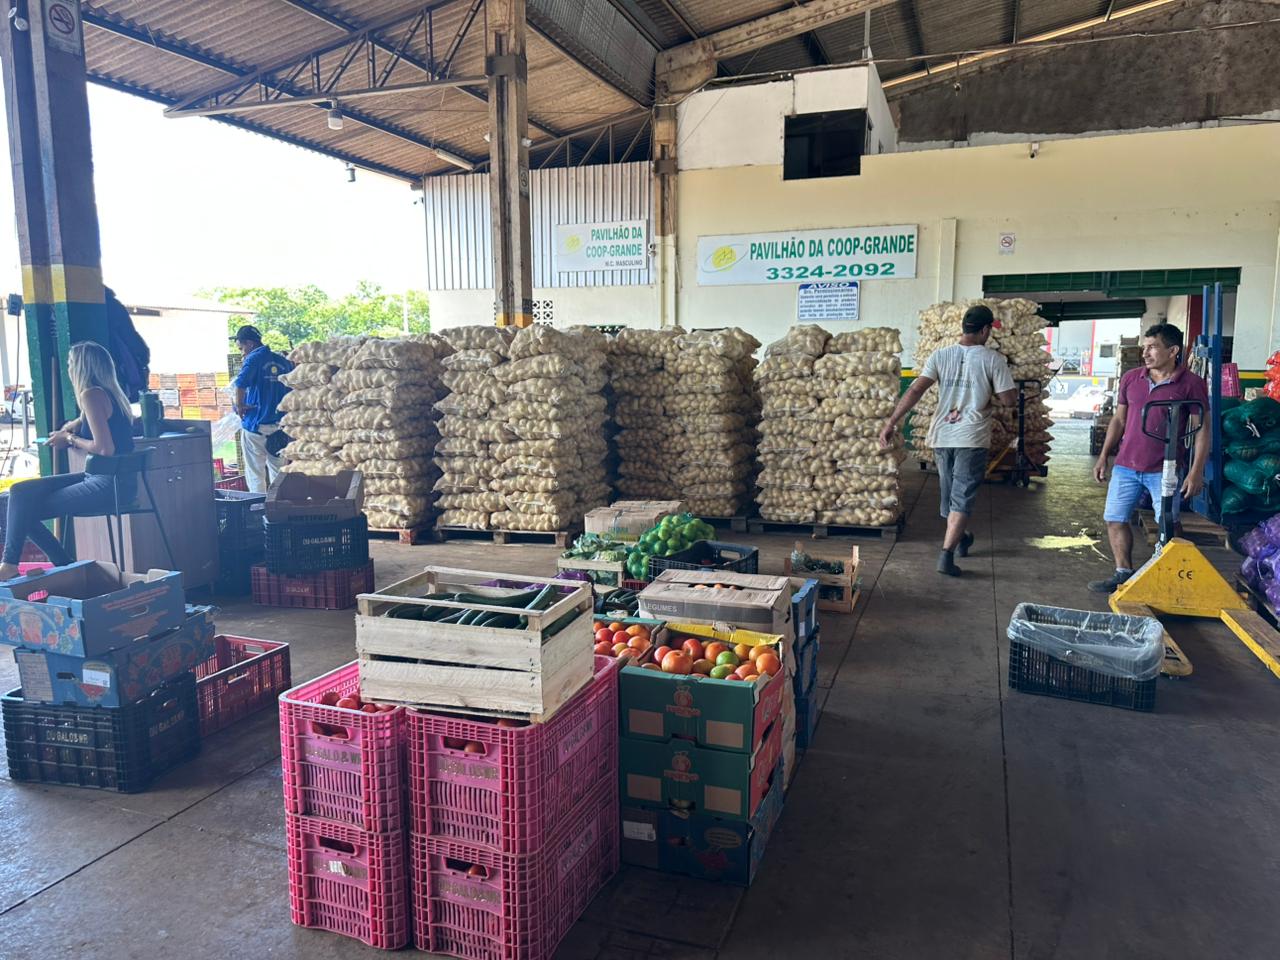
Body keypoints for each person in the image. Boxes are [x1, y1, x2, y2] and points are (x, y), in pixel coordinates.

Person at [879, 304, 1016, 576]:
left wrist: (891, 422)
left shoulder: (940, 356)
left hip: (942, 435)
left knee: (950, 496)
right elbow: (1009, 400)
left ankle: (961, 537)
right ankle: (946, 556)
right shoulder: (992, 359)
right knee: (961, 497)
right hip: (971, 437)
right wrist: (992, 395)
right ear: (985, 329)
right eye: (990, 329)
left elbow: (916, 389)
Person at [1088, 323, 1209, 593]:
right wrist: (1104, 456)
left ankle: (1171, 578)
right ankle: (1123, 573)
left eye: (1153, 347)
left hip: (1164, 469)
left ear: (1173, 350)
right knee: (1115, 519)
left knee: (1169, 522)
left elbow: (1202, 430)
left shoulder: (1191, 384)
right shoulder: (1132, 378)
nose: (1146, 352)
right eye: (1145, 347)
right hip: (1125, 466)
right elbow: (1119, 420)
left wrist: (1196, 470)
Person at [0, 342, 136, 580]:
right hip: (111, 478)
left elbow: (104, 448)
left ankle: (35, 565)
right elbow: (88, 421)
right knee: (18, 492)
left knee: (21, 509)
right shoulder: (110, 393)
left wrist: (71, 439)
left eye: (71, 363)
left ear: (82, 367)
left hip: (107, 483)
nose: (69, 368)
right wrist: (70, 428)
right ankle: (60, 565)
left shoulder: (91, 395)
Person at [232, 325, 292, 493]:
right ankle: (279, 508)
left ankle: (259, 511)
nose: (242, 353)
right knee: (279, 474)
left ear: (250, 344)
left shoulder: (253, 358)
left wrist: (240, 405)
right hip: (279, 428)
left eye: (241, 348)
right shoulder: (283, 361)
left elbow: (240, 385)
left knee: (255, 473)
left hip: (256, 426)